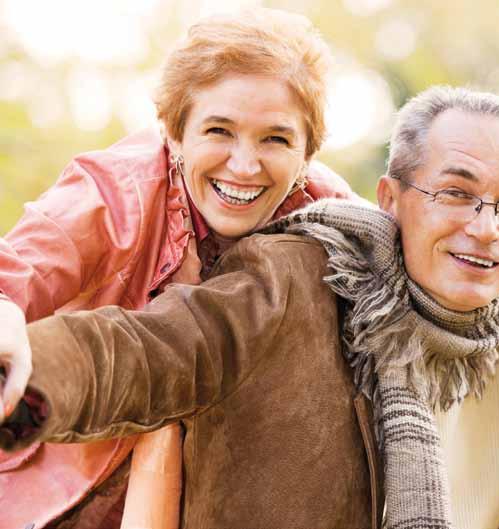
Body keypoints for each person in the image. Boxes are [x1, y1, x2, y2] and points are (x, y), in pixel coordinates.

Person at [0, 86, 499, 529]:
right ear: (390, 200)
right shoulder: (295, 283)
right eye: (454, 193)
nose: (485, 228)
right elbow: (143, 350)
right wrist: (25, 375)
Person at [0, 8, 358, 529]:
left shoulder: (330, 221)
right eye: (219, 130)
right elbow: (18, 269)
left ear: (307, 154)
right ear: (174, 133)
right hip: (68, 479)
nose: (244, 164)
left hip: (212, 488)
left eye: (275, 139)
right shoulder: (113, 192)